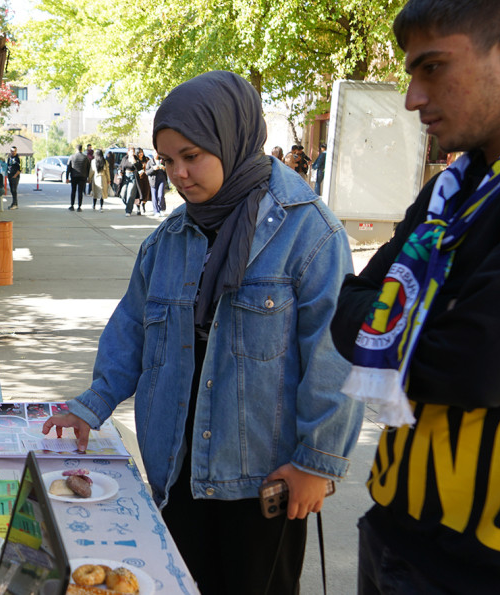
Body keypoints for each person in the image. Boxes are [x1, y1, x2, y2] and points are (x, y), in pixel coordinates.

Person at [43, 71, 362, 594]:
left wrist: (317, 462)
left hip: (262, 480)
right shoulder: (169, 239)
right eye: (168, 161)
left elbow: (336, 355)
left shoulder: (308, 231)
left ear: (231, 139)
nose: (179, 174)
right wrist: (91, 403)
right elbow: (132, 332)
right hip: (176, 473)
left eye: (191, 156)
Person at [329, 2, 500, 593]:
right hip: (395, 531)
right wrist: (424, 319)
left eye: (432, 67)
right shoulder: (455, 186)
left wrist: (394, 318)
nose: (413, 97)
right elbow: (345, 306)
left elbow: (482, 363)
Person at [67, 145, 88, 211]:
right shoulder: (85, 157)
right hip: (83, 176)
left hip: (74, 176)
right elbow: (88, 168)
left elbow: (68, 168)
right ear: (82, 149)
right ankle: (79, 207)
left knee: (73, 191)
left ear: (76, 149)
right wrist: (87, 177)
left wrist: (67, 177)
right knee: (80, 191)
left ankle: (72, 205)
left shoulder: (72, 157)